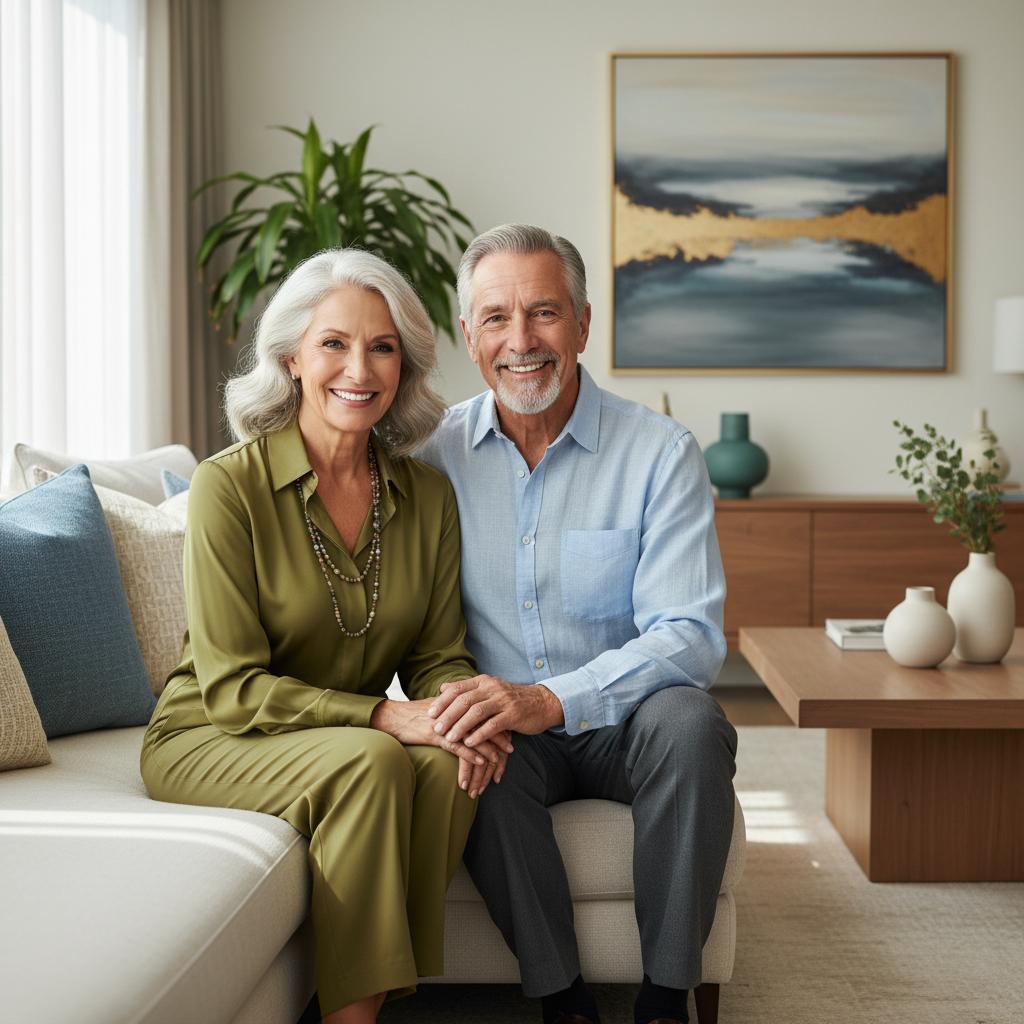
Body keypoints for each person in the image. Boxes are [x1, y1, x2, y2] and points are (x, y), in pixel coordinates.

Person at [140, 249, 511, 1024]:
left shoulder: (426, 494)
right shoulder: (228, 486)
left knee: (452, 768)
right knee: (376, 758)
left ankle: (361, 998)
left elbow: (438, 651)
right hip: (211, 730)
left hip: (327, 737)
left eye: (382, 347)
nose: (360, 368)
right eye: (334, 343)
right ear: (292, 359)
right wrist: (383, 714)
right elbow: (233, 685)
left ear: (403, 367)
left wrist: (457, 714)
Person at [416, 224, 738, 1024]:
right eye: (496, 318)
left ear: (585, 325)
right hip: (510, 734)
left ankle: (666, 998)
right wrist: (486, 709)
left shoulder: (661, 453)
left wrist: (552, 699)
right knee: (468, 754)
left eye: (544, 313)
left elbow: (690, 637)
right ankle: (563, 1000)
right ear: (468, 337)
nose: (520, 341)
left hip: (631, 722)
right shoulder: (430, 457)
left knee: (695, 724)